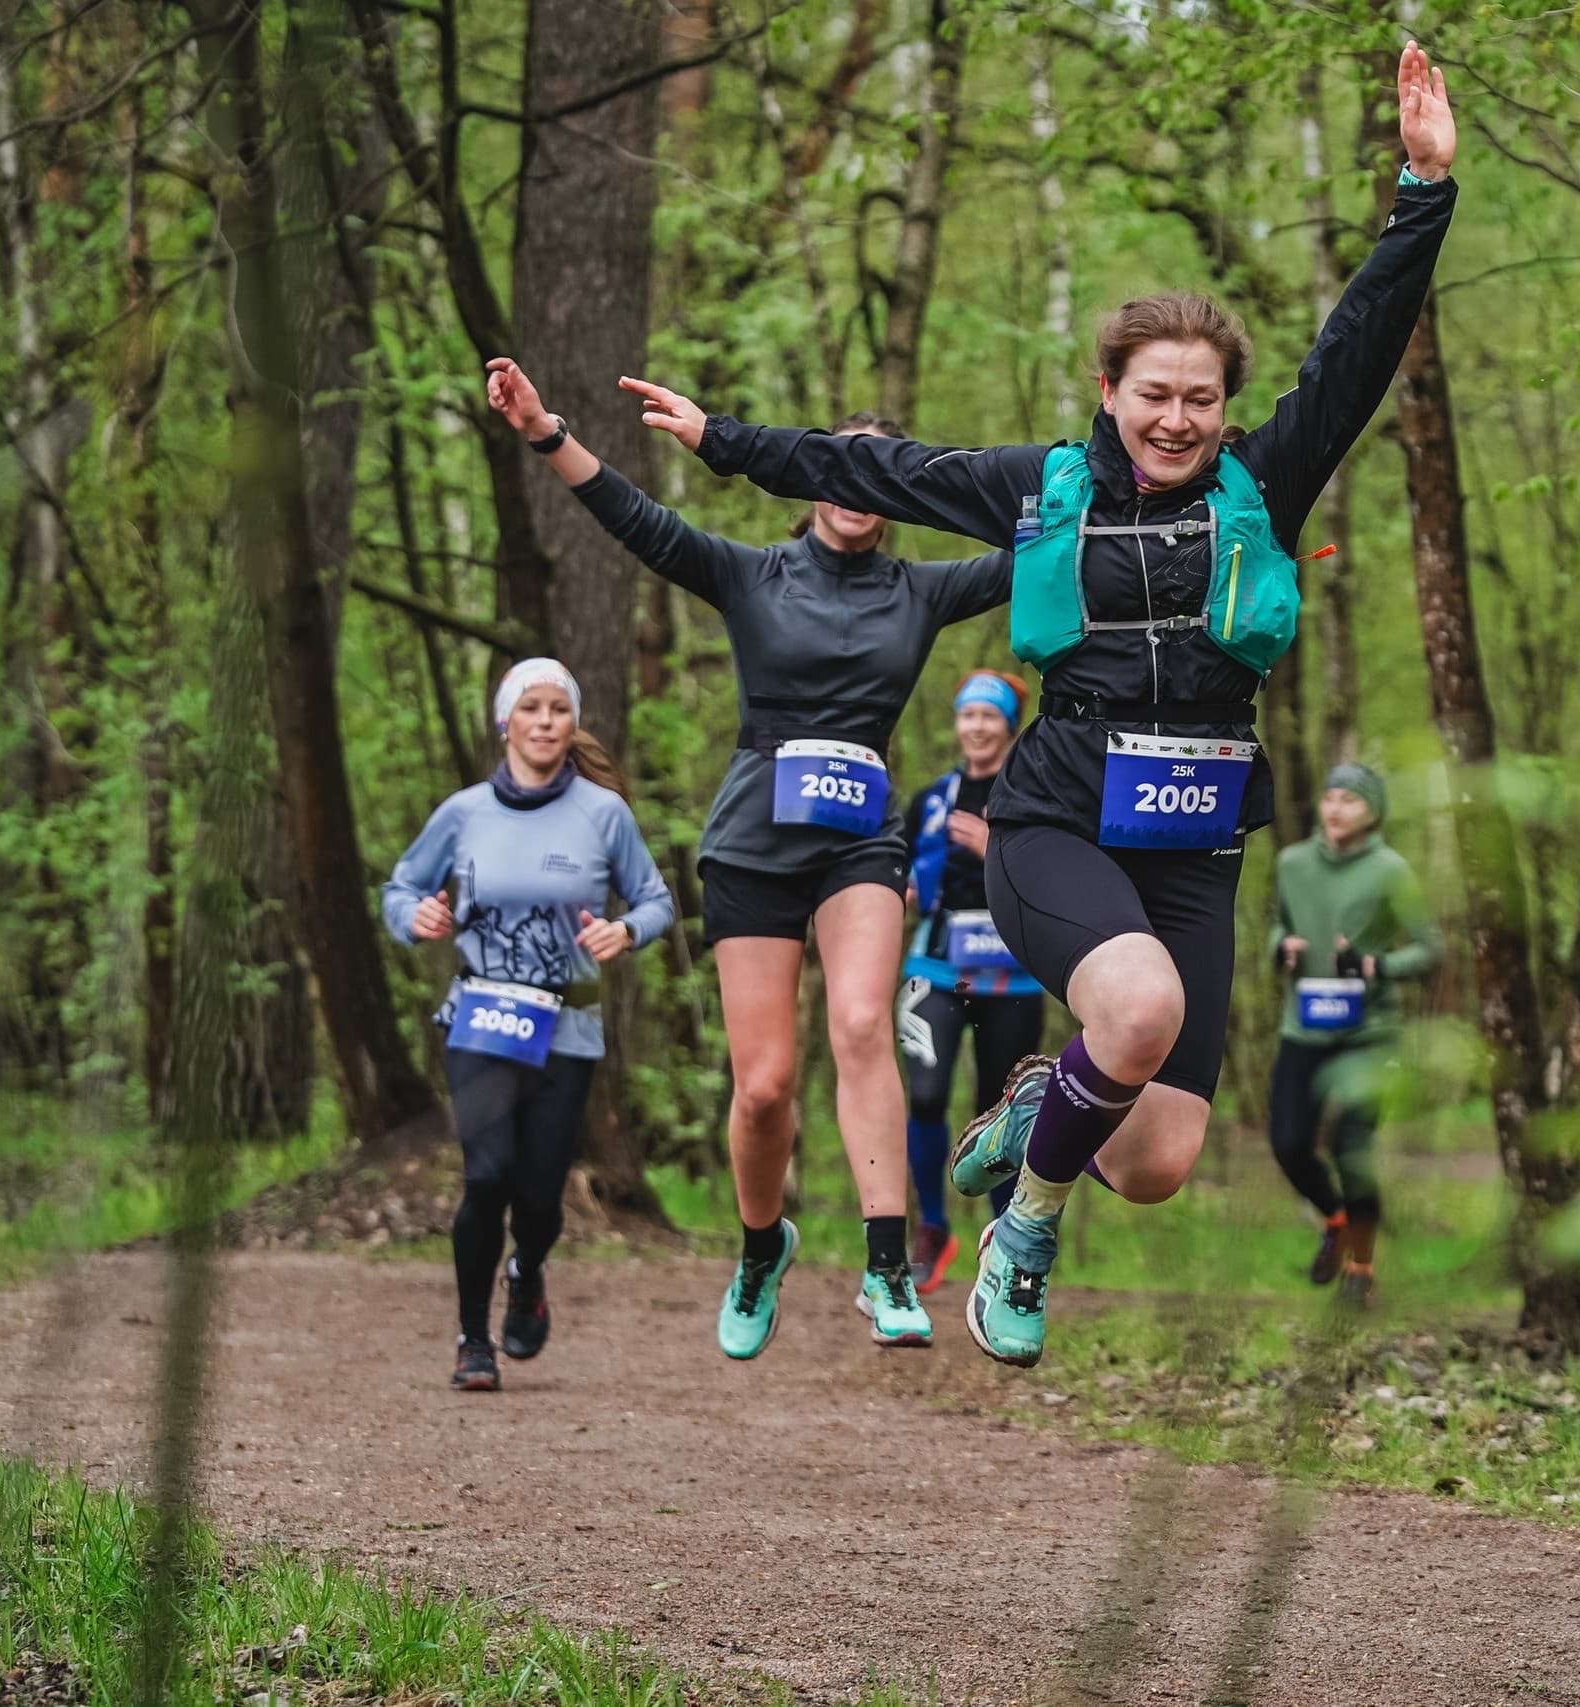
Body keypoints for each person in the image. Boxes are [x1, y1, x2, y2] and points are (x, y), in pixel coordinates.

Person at [616, 44, 1459, 1367]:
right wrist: (726, 440)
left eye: (1199, 399)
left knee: (1164, 1156)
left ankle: (1033, 1103)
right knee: (1132, 1013)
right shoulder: (1044, 482)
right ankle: (1024, 1234)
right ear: (1112, 392)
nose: (1175, 420)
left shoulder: (1267, 480)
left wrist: (1422, 187)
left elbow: (1357, 347)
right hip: (1058, 817)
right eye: (1153, 395)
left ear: (1226, 408)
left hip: (1193, 837)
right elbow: (873, 469)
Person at [482, 361, 1013, 1358]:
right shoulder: (750, 575)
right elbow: (634, 517)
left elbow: (1052, 550)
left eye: (882, 475)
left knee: (863, 1023)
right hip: (754, 846)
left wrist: (1166, 482)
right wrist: (549, 433)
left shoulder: (923, 591)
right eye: (841, 471)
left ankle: (887, 1266)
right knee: (763, 1086)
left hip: (860, 842)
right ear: (811, 480)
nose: (857, 491)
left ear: (902, 495)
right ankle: (762, 1245)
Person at [382, 659, 676, 1392]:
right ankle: (472, 1339)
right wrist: (413, 917)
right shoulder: (464, 812)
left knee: (540, 1197)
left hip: (565, 1026)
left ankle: (528, 1265)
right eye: (531, 707)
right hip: (479, 1017)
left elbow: (656, 899)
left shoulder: (603, 812)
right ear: (504, 721)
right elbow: (401, 886)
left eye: (558, 709)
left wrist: (626, 932)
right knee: (486, 1177)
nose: (545, 720)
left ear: (572, 724)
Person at [1267, 762, 1440, 1305]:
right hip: (1304, 1023)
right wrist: (1282, 947)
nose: (1336, 809)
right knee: (1289, 1143)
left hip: (1371, 1031)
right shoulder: (1291, 863)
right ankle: (1336, 1220)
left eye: (1351, 800)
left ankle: (1361, 1269)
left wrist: (1376, 966)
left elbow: (1430, 948)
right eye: (1330, 798)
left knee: (1352, 1149)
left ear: (1374, 813)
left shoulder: (1391, 870)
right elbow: (1280, 924)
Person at [897, 670, 1048, 1292]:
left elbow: (1058, 882)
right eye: (967, 716)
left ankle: (1001, 1235)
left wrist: (997, 849)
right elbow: (901, 874)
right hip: (934, 967)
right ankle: (932, 1229)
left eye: (989, 716)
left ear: (1009, 725)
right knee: (926, 1095)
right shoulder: (933, 799)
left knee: (1002, 1110)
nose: (977, 727)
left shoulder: (1036, 796)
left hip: (1012, 977)